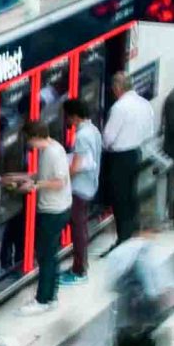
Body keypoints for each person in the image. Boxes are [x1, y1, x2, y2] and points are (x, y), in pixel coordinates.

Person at [12, 120, 72, 315]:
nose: (28, 145)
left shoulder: (52, 153)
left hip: (52, 211)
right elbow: (47, 175)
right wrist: (29, 177)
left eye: (29, 140)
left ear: (35, 137)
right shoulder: (54, 149)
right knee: (50, 256)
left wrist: (35, 186)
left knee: (45, 256)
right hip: (59, 208)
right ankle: (50, 296)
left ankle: (43, 300)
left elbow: (59, 182)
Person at [100, 68, 155, 249]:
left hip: (120, 158)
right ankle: (132, 231)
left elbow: (108, 138)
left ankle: (123, 237)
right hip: (137, 153)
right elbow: (150, 130)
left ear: (118, 87)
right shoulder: (144, 104)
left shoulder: (119, 107)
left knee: (120, 198)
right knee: (131, 195)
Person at [63, 99, 102, 285]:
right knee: (81, 227)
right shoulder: (93, 130)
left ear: (74, 116)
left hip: (79, 188)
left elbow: (76, 165)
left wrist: (61, 178)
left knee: (78, 229)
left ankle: (79, 270)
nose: (67, 121)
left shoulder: (81, 136)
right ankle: (79, 266)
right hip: (90, 186)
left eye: (68, 117)